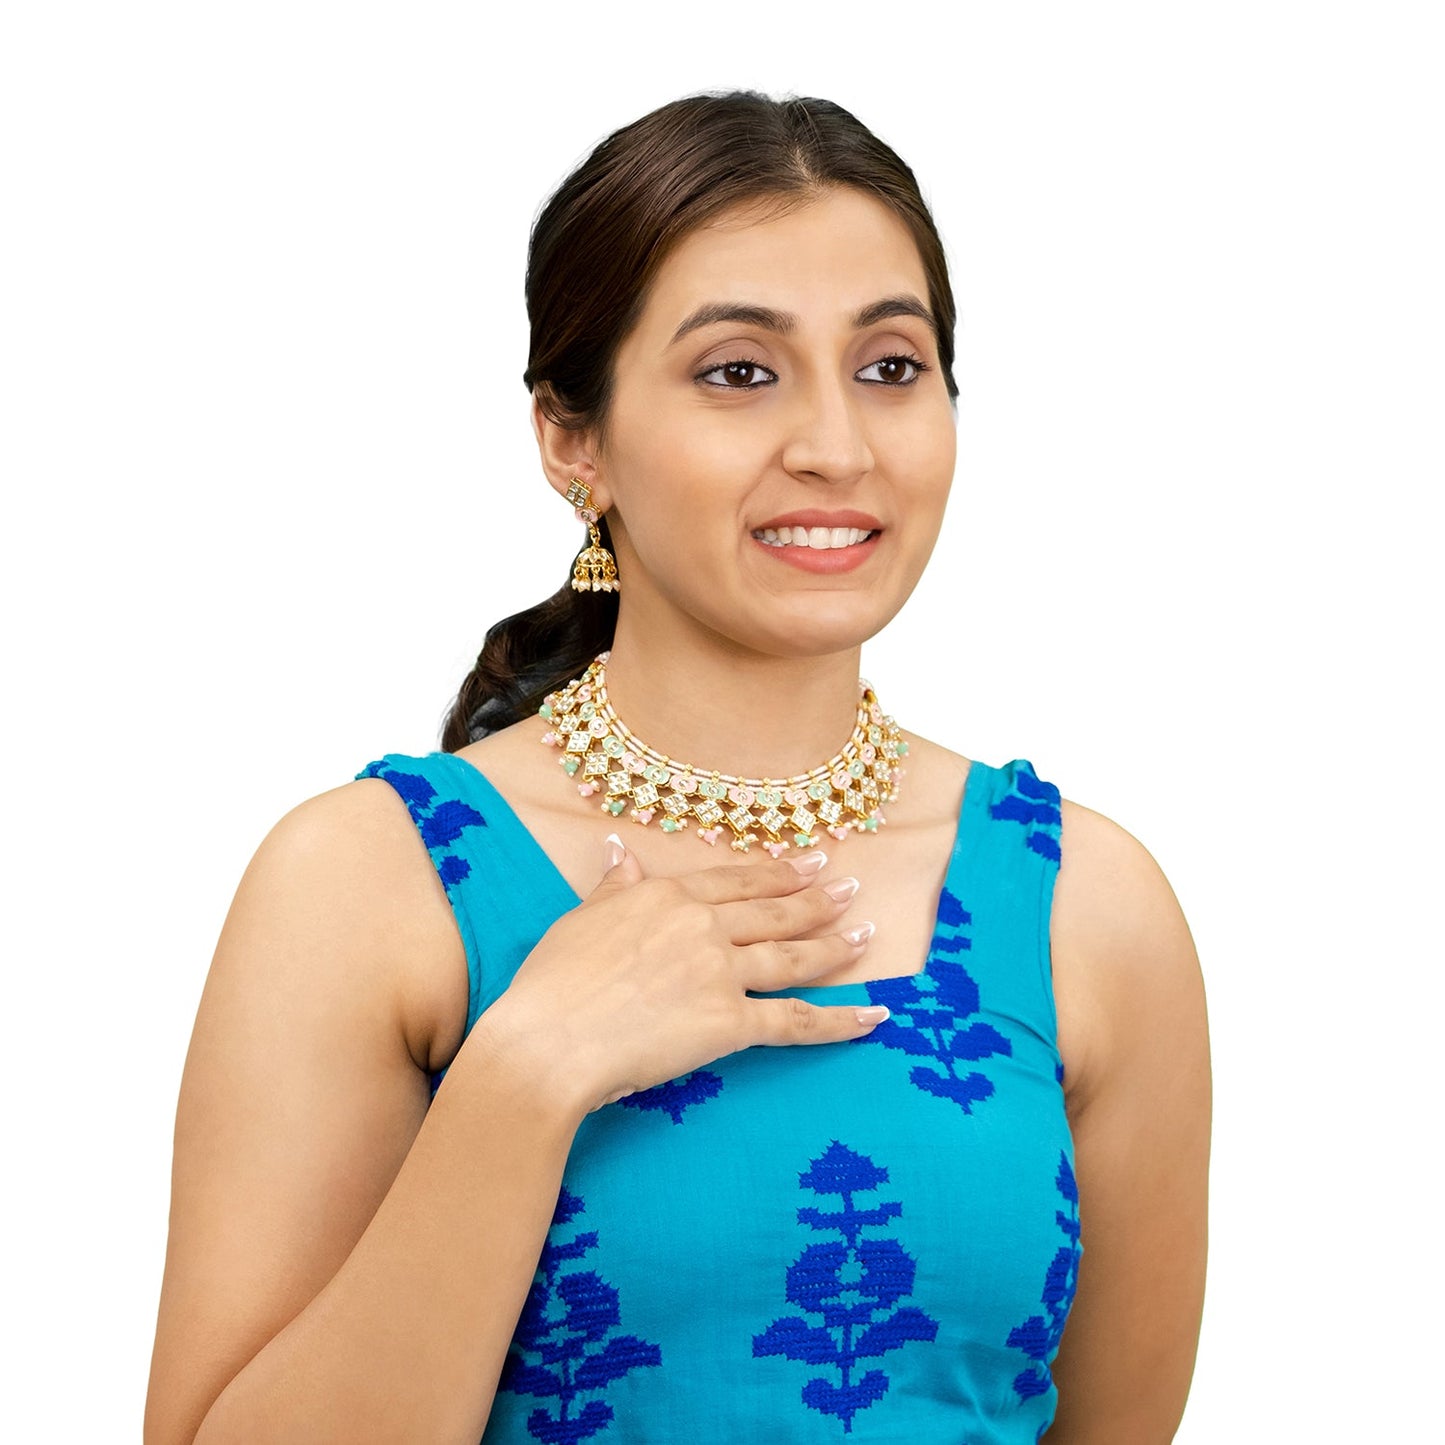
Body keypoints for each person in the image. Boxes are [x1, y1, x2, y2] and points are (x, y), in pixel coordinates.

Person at [145, 91, 1210, 1444]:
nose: (836, 445)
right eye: (739, 372)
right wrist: (527, 1070)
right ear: (570, 438)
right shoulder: (366, 884)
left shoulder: (1086, 907)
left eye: (890, 366)